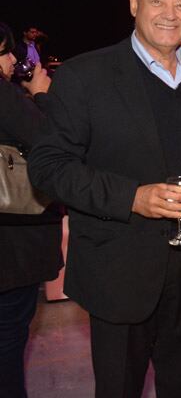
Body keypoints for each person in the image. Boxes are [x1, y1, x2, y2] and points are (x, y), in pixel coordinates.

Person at [28, 0, 181, 397]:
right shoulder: (85, 76)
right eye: (157, 1)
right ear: (134, 3)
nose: (169, 15)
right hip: (119, 271)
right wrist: (132, 197)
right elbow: (48, 167)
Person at [0, 22, 62, 398]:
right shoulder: (5, 96)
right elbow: (53, 141)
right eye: (4, 52)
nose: (11, 60)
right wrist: (41, 96)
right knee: (8, 340)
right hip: (11, 248)